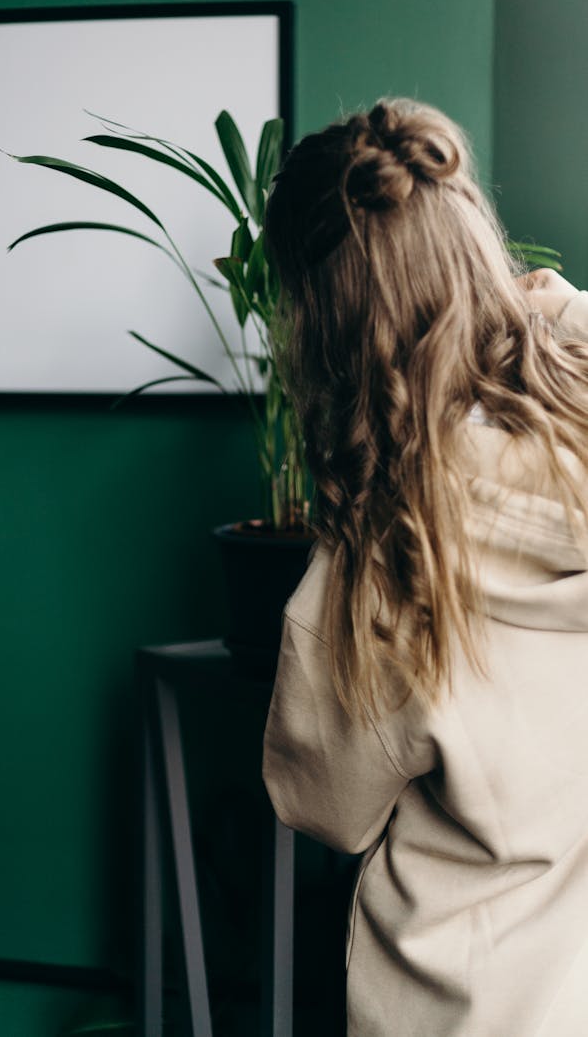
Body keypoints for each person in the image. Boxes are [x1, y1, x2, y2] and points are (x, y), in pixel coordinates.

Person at [260, 98, 588, 1037]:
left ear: (321, 320)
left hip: (466, 1001)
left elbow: (321, 801)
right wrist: (549, 309)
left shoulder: (374, 558)